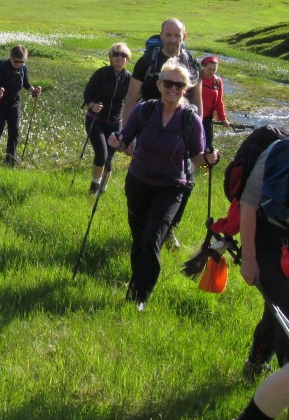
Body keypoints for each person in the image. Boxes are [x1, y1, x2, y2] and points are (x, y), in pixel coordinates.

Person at [109, 58, 219, 310]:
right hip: (138, 182)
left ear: (186, 88)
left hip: (171, 187)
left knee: (152, 238)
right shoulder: (144, 110)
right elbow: (125, 138)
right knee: (139, 238)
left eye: (179, 85)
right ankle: (136, 283)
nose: (173, 89)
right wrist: (117, 140)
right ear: (159, 85)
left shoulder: (191, 121)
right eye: (168, 83)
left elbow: (197, 158)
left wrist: (212, 159)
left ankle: (140, 295)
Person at [237, 112, 289, 391]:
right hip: (271, 244)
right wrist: (250, 260)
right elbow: (249, 204)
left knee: (279, 311)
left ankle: (256, 362)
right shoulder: (279, 152)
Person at [123, 18, 203, 250]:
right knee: (144, 179)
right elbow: (131, 98)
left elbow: (198, 102)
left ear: (184, 37)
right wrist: (126, 135)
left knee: (185, 182)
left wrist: (201, 137)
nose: (172, 40)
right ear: (161, 35)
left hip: (183, 133)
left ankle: (167, 228)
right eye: (168, 35)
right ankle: (146, 228)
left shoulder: (193, 65)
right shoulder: (147, 61)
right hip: (148, 129)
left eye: (177, 35)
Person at [82, 42, 132, 195]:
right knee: (102, 154)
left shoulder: (129, 78)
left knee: (110, 157)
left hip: (115, 122)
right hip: (95, 119)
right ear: (111, 57)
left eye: (123, 55)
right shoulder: (101, 73)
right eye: (116, 54)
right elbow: (87, 93)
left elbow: (134, 100)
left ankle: (103, 190)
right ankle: (94, 188)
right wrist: (92, 105)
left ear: (127, 59)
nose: (119, 57)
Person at [0, 45, 42, 165]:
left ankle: (10, 160)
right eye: (16, 61)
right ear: (11, 57)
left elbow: (26, 83)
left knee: (14, 131)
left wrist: (34, 90)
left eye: (22, 61)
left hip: (15, 102)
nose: (18, 64)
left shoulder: (23, 68)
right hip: (0, 101)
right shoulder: (2, 67)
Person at [201, 55, 230, 149]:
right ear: (204, 66)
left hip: (207, 118)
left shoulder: (218, 82)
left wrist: (223, 119)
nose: (212, 72)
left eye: (214, 69)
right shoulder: (195, 77)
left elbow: (219, 102)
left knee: (208, 146)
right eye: (209, 69)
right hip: (193, 115)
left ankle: (205, 163)